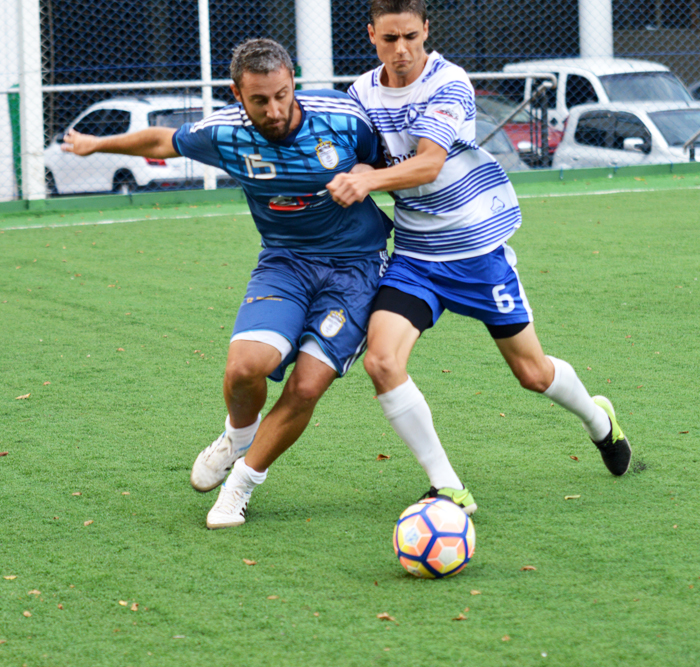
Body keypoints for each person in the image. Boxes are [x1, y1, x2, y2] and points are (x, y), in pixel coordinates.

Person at [62, 38, 468, 529]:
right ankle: (237, 436)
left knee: (306, 385)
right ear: (238, 94)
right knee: (244, 369)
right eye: (260, 100)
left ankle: (240, 488)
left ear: (292, 81)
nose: (274, 110)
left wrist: (367, 173)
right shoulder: (224, 133)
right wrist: (93, 144)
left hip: (356, 270)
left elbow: (386, 161)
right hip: (284, 263)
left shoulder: (343, 117)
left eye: (281, 95)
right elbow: (160, 141)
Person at [327, 0, 632, 511]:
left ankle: (599, 419)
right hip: (417, 257)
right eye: (389, 39)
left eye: (410, 37)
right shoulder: (360, 93)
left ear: (426, 30)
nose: (401, 50)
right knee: (381, 361)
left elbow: (427, 164)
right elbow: (347, 147)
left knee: (533, 374)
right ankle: (446, 483)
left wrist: (367, 179)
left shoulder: (450, 83)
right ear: (371, 36)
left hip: (477, 251)